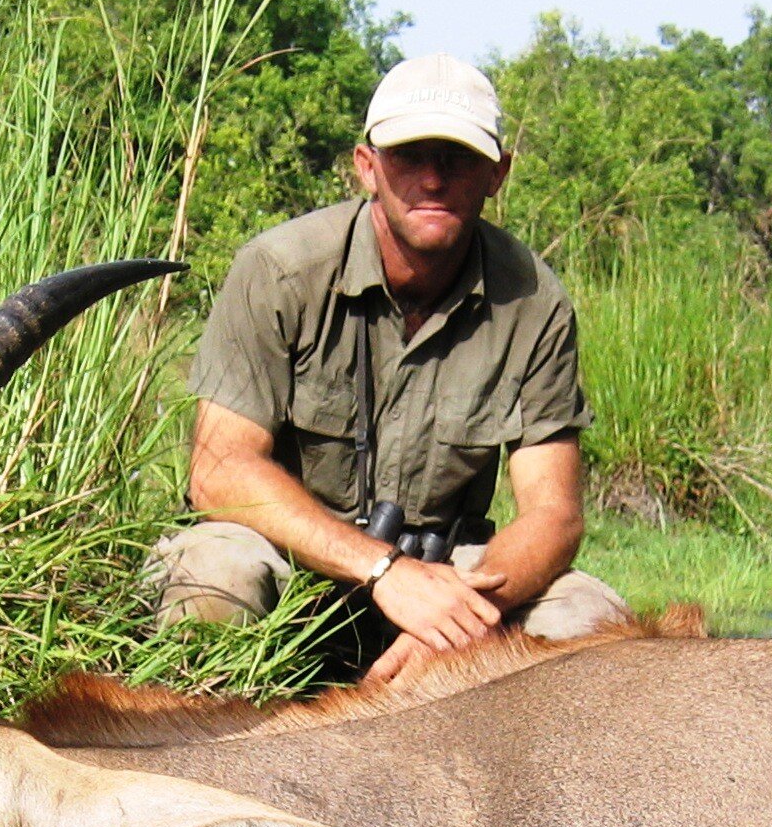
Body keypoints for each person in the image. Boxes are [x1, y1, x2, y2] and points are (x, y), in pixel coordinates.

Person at [149, 51, 630, 684]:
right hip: (296, 557)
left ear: (497, 174)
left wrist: (467, 611)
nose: (433, 179)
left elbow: (554, 513)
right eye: (409, 156)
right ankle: (198, 760)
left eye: (458, 158)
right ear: (366, 167)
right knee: (218, 574)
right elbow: (220, 473)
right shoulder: (278, 272)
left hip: (446, 573)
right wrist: (384, 571)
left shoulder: (534, 301)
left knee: (588, 618)